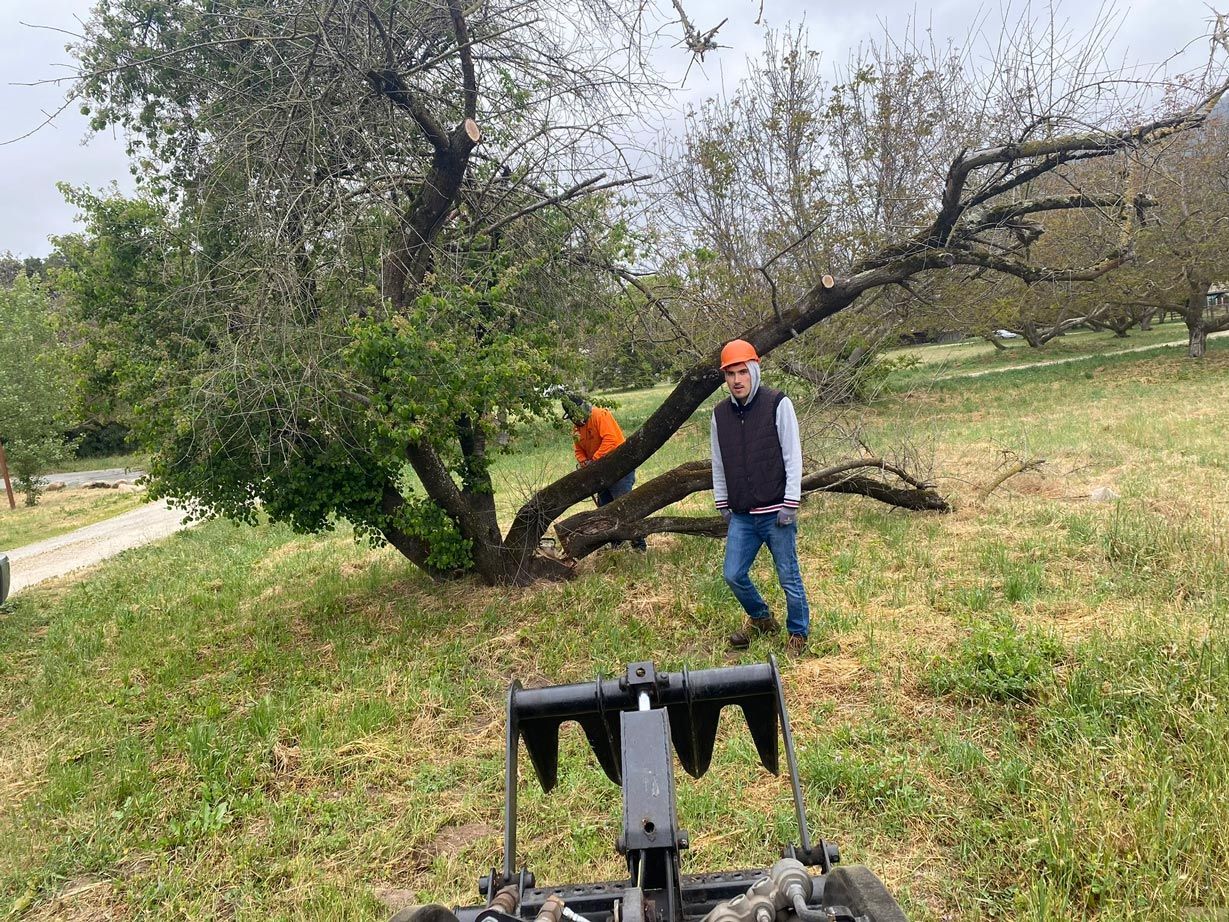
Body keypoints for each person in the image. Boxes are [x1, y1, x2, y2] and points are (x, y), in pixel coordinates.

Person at [710, 339, 810, 653]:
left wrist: (790, 503)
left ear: (754, 371)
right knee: (733, 574)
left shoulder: (778, 403)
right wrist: (722, 501)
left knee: (788, 577)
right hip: (741, 514)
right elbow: (718, 460)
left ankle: (798, 633)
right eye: (730, 374)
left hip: (777, 512)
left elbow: (793, 456)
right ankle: (761, 618)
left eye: (743, 372)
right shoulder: (719, 415)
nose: (737, 380)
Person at [561, 391, 647, 551]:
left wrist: (594, 460)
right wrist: (584, 462)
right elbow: (578, 450)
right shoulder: (576, 430)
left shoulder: (600, 415)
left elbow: (611, 440)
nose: (578, 418)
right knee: (605, 508)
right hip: (600, 472)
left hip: (619, 466)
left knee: (624, 504)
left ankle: (639, 544)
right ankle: (617, 544)